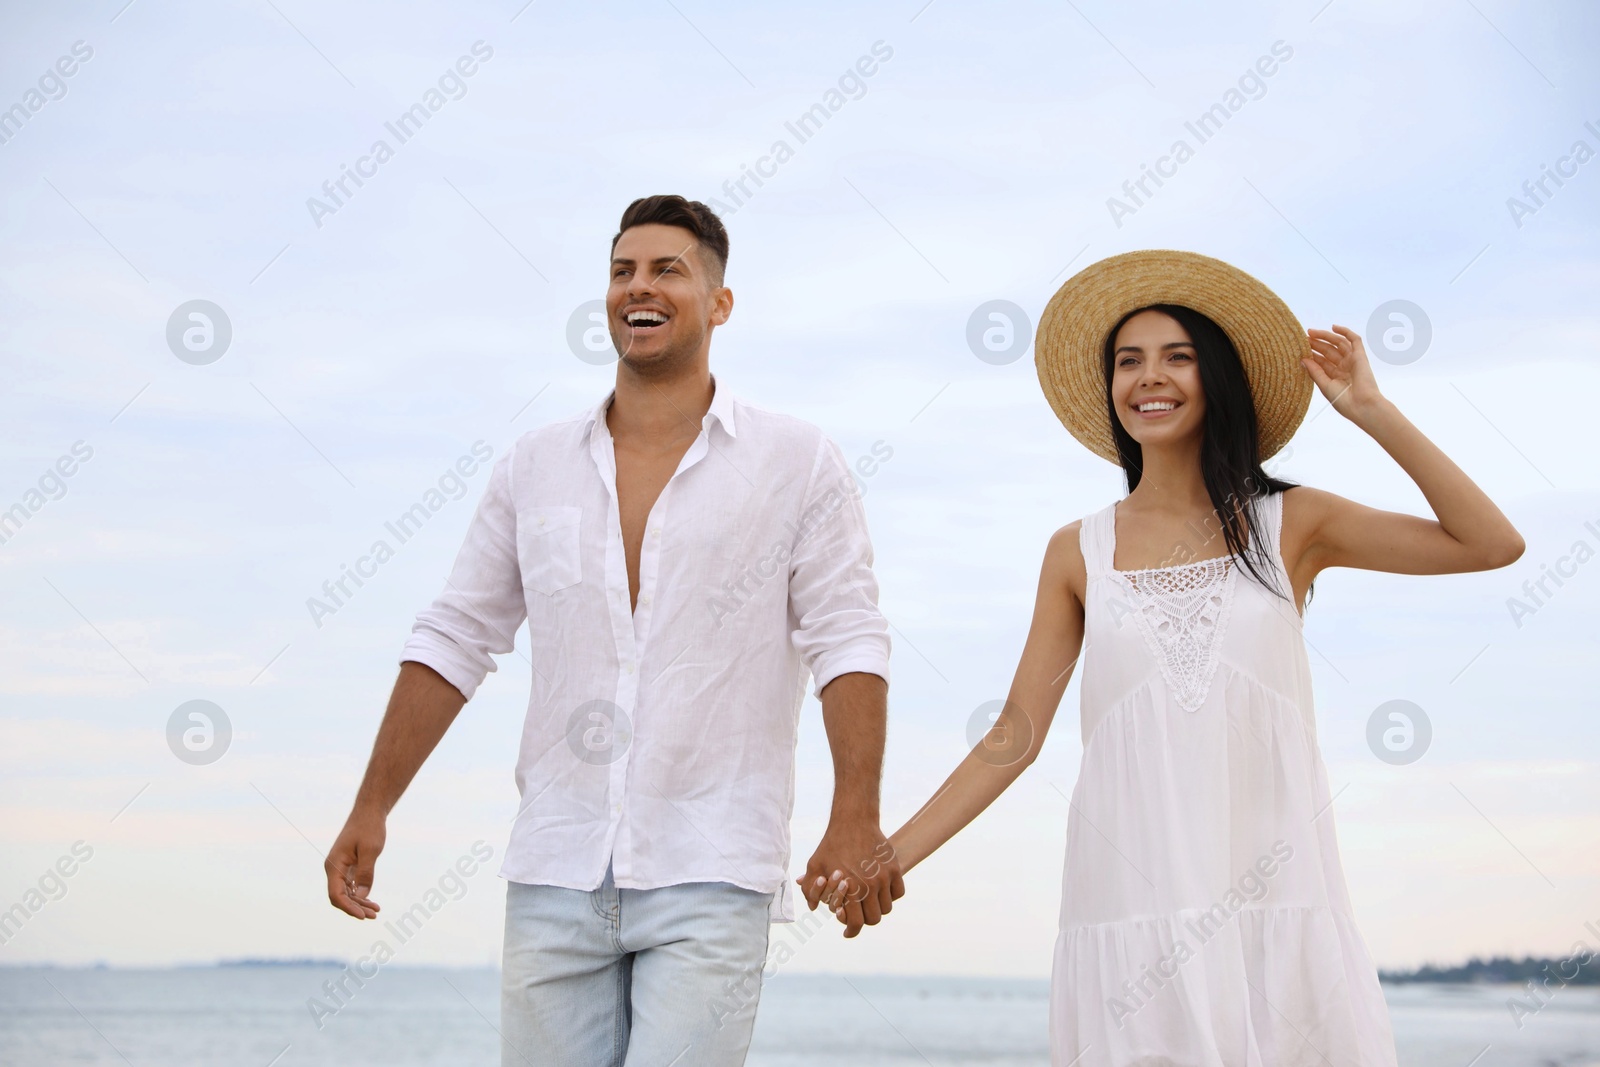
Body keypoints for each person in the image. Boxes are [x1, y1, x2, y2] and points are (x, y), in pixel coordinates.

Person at [815, 250, 1524, 1064]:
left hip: (1276, 902)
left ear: (1216, 377)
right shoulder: (1077, 551)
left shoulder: (1292, 524)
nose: (1150, 378)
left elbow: (1491, 541)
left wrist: (1371, 409)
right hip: (1132, 915)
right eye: (1129, 361)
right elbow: (1014, 733)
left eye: (1177, 356)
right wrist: (888, 854)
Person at [324, 194, 902, 1066]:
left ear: (720, 302)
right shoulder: (535, 465)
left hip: (712, 863)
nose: (640, 286)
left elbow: (848, 637)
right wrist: (372, 803)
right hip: (557, 864)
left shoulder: (797, 460)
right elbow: (455, 636)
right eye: (622, 270)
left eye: (668, 269)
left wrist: (855, 814)